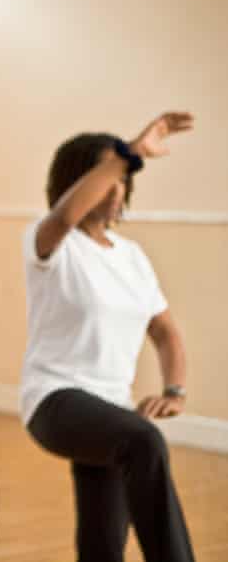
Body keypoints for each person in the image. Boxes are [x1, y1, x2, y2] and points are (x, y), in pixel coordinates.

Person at [21, 112, 196, 562]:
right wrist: (130, 153)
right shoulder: (49, 241)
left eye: (123, 180)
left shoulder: (132, 257)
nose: (118, 189)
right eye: (107, 177)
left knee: (103, 542)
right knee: (144, 442)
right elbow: (64, 217)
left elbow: (166, 333)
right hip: (55, 399)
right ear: (79, 182)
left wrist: (174, 390)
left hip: (110, 408)